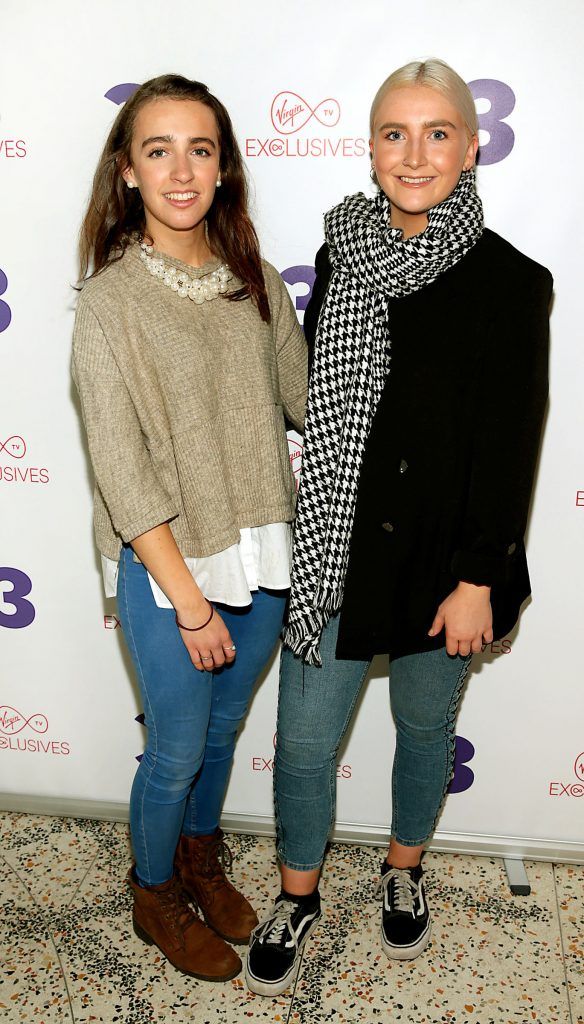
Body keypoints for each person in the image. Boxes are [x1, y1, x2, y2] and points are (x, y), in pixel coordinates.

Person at [245, 58, 552, 996]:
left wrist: (478, 579)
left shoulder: (512, 282)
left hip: (444, 563)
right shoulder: (341, 247)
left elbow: (511, 446)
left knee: (424, 736)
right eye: (393, 132)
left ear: (470, 144)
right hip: (339, 549)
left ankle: (403, 871)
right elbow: (328, 407)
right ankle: (298, 895)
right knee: (302, 745)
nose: (412, 153)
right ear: (372, 145)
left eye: (435, 132)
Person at [72, 74, 307, 982]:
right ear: (127, 171)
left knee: (218, 738)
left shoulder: (252, 282)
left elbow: (304, 398)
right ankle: (151, 890)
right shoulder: (109, 303)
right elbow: (122, 473)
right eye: (158, 150)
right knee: (172, 751)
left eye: (199, 149)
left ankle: (198, 860)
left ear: (223, 165)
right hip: (168, 566)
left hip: (259, 552)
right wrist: (190, 604)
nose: (181, 170)